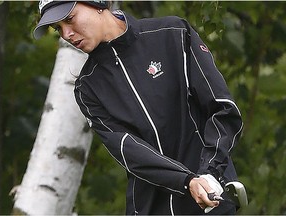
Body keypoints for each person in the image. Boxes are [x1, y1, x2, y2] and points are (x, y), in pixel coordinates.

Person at [33, 1, 243, 215]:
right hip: (149, 208)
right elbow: (129, 151)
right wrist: (187, 181)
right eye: (57, 28)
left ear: (96, 4)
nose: (66, 34)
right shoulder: (87, 88)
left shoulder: (173, 33)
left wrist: (209, 171)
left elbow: (223, 110)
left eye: (69, 19)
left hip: (212, 197)